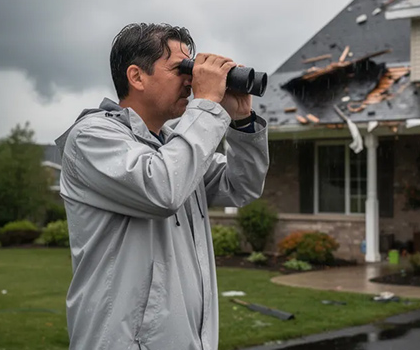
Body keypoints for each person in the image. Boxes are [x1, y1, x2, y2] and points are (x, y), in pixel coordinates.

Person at [55, 23, 269, 350]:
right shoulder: (91, 137)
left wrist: (242, 122)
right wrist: (208, 104)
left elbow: (242, 186)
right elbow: (162, 190)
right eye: (180, 68)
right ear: (137, 77)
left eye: (192, 68)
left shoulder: (174, 147)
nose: (190, 79)